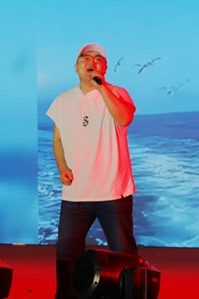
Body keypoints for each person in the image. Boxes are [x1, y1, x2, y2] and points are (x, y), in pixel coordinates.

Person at [46, 43, 138, 299]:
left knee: (124, 257)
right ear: (76, 66)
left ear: (105, 67)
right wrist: (62, 167)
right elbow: (58, 140)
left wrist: (101, 87)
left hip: (113, 193)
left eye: (98, 59)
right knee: (66, 256)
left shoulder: (118, 92)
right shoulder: (62, 101)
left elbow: (124, 118)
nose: (92, 62)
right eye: (86, 58)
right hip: (75, 195)